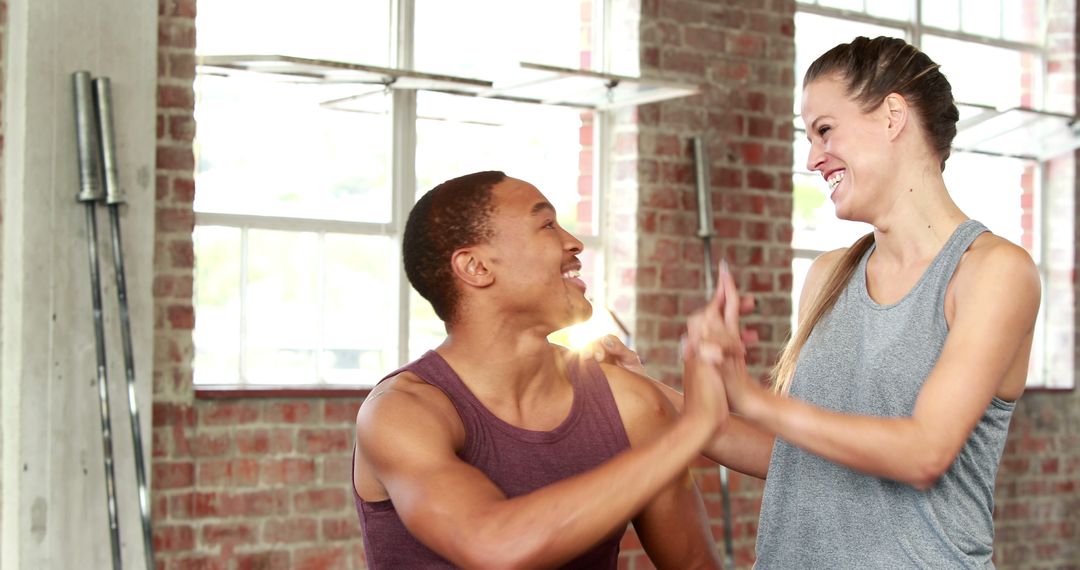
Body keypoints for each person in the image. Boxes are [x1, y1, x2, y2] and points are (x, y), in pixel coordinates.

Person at [600, 36, 1042, 568]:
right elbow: (794, 462)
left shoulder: (991, 272)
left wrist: (755, 399)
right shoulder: (830, 275)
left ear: (892, 116)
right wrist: (634, 387)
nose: (812, 158)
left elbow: (925, 452)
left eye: (825, 130)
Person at [352, 171, 729, 569]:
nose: (574, 243)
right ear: (476, 267)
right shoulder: (400, 413)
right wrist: (690, 428)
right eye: (547, 224)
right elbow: (495, 544)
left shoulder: (630, 404)